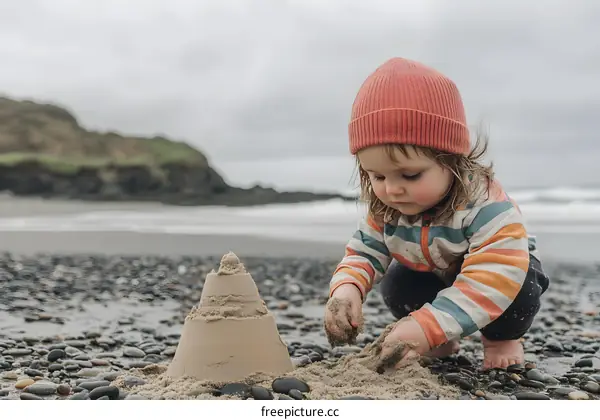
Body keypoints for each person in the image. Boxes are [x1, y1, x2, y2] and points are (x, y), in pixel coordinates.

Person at [324, 57, 550, 370]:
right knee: (397, 285)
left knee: (519, 289)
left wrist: (424, 327)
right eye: (377, 176)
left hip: (502, 273)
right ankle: (443, 337)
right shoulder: (389, 208)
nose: (392, 190)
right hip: (436, 273)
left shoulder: (487, 207)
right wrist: (346, 289)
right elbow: (364, 251)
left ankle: (500, 338)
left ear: (452, 160)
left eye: (410, 175)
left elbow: (493, 277)